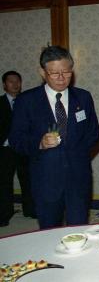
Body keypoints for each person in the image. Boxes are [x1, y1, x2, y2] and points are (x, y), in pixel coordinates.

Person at [9, 46, 99, 229]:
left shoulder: (83, 97)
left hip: (78, 178)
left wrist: (76, 155)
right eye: (54, 73)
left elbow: (93, 135)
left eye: (66, 72)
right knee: (49, 233)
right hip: (46, 180)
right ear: (42, 72)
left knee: (79, 231)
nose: (61, 78)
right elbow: (16, 140)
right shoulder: (27, 101)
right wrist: (39, 143)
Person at [0, 71, 36, 226]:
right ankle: (4, 214)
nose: (15, 84)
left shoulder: (27, 102)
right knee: (4, 182)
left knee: (28, 180)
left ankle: (30, 210)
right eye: (10, 81)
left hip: (23, 148)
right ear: (4, 85)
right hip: (5, 150)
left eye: (17, 81)